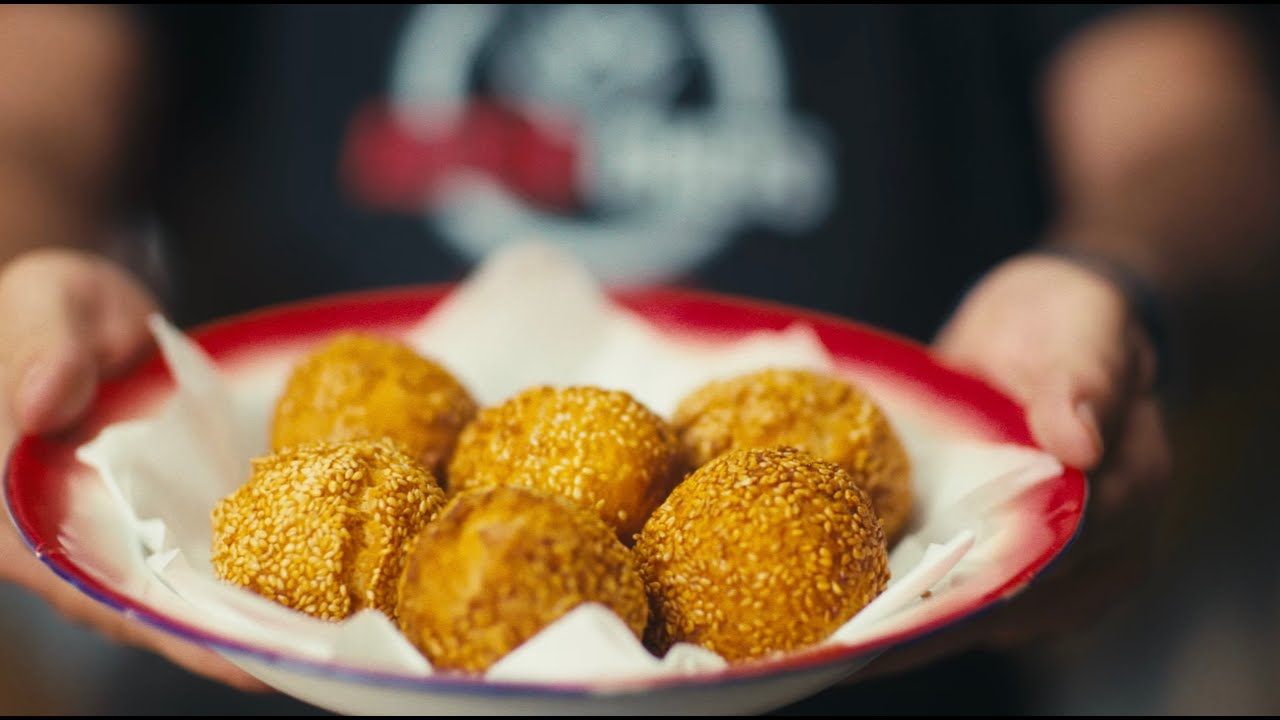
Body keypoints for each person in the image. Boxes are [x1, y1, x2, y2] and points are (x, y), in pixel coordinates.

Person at [0, 3, 1277, 714]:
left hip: (887, 679)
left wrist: (1119, 285)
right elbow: (33, 96)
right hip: (243, 677)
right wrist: (23, 288)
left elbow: (1197, 125)